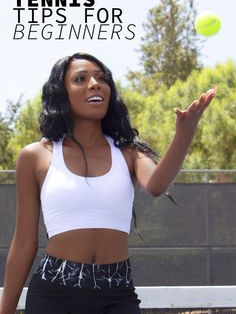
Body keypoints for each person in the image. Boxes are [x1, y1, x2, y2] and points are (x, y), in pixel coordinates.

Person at [0, 52, 216, 314]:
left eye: (101, 78)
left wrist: (184, 132)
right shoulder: (35, 156)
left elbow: (157, 185)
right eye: (81, 79)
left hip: (117, 295)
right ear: (62, 93)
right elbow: (24, 243)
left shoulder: (129, 152)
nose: (95, 83)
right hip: (54, 293)